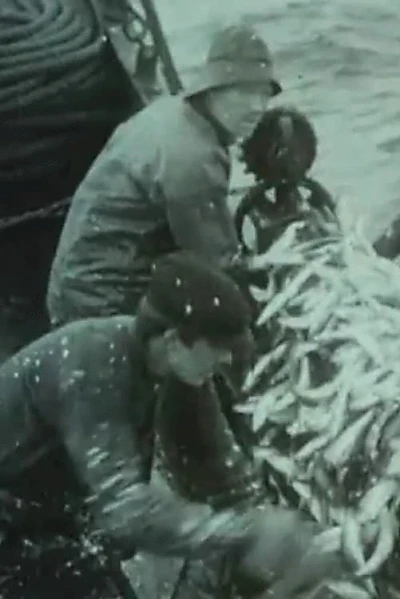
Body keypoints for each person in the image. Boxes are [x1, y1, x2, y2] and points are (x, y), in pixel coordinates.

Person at [0, 252, 341, 598]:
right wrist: (243, 532)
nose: (226, 359)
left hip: (57, 508)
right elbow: (123, 509)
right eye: (218, 348)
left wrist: (273, 525)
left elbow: (215, 464)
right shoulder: (92, 367)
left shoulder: (179, 371)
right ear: (175, 340)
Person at [46, 22, 282, 328]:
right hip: (99, 307)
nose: (257, 108)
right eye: (243, 93)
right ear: (212, 89)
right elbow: (219, 268)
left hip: (70, 288)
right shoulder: (194, 158)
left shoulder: (170, 113)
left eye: (264, 95)